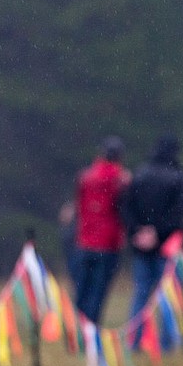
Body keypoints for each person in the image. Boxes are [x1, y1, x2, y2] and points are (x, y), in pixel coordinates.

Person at [122, 135, 183, 344]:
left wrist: (138, 232)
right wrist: (158, 233)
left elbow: (125, 207)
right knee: (168, 295)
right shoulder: (177, 178)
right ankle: (168, 342)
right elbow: (180, 213)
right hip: (167, 246)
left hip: (141, 246)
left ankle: (135, 340)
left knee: (141, 293)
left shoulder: (139, 175)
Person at [71, 136, 130, 325]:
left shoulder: (85, 176)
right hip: (108, 242)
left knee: (81, 289)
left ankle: (77, 330)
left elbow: (79, 207)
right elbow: (123, 209)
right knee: (98, 291)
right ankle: (91, 329)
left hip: (85, 240)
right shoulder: (121, 180)